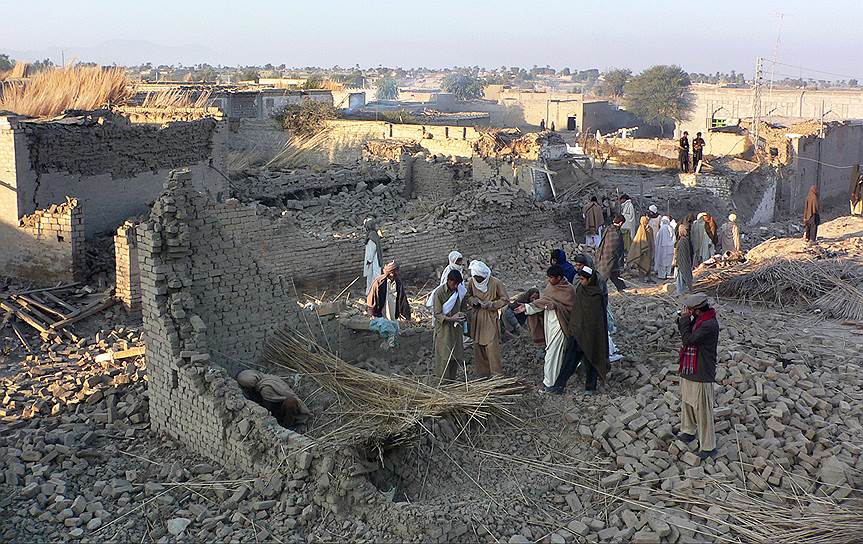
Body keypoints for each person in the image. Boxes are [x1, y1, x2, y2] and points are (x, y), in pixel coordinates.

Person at [515, 265, 576, 394]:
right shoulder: (550, 287)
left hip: (560, 325)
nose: (549, 280)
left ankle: (549, 384)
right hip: (550, 323)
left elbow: (571, 309)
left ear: (559, 278)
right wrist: (527, 308)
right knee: (556, 352)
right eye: (548, 277)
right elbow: (544, 303)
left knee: (552, 353)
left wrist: (555, 306)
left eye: (552, 278)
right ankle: (559, 378)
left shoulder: (569, 290)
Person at [676, 293, 720, 459]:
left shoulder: (709, 325)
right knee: (687, 400)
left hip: (701, 370)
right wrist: (684, 320)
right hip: (691, 368)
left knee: (702, 409)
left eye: (691, 310)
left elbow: (688, 340)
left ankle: (708, 446)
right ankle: (688, 430)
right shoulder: (701, 319)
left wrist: (685, 320)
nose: (688, 311)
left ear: (698, 311)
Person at [554, 266, 610, 395]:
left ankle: (590, 388)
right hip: (578, 333)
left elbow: (597, 320)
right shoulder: (580, 290)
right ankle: (558, 386)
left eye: (583, 279)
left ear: (590, 280)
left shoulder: (596, 295)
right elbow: (578, 312)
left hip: (591, 335)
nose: (581, 281)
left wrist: (589, 332)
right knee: (569, 361)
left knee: (591, 360)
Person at [466, 260, 509, 378]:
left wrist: (491, 305)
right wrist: (472, 301)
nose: (477, 280)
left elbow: (505, 300)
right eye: (475, 278)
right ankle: (483, 375)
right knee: (478, 347)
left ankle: (496, 375)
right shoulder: (472, 282)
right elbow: (468, 296)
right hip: (477, 319)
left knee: (491, 348)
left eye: (479, 278)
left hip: (490, 318)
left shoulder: (496, 283)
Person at [236, 370, 311, 428]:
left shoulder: (265, 389)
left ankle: (287, 426)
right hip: (281, 402)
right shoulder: (267, 377)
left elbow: (269, 407)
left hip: (284, 409)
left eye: (246, 387)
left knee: (289, 404)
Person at [433, 270, 468, 384]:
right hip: (444, 330)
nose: (456, 286)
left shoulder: (460, 292)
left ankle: (451, 382)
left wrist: (460, 315)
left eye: (458, 284)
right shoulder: (439, 293)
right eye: (454, 284)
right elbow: (437, 314)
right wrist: (451, 319)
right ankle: (443, 383)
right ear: (449, 281)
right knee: (444, 356)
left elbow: (464, 309)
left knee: (455, 356)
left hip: (456, 330)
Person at [367, 261, 411, 349]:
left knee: (394, 328)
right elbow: (372, 298)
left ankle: (392, 347)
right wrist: (373, 313)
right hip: (383, 310)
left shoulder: (398, 281)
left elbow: (402, 298)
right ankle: (385, 348)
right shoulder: (379, 282)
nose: (397, 273)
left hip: (393, 309)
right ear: (390, 273)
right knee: (385, 328)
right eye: (395, 271)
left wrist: (407, 315)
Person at [596, 214, 627, 292]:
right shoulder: (616, 233)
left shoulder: (608, 228)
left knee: (615, 274)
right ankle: (597, 291)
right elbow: (617, 248)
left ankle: (622, 288)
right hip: (609, 257)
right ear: (620, 223)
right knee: (603, 276)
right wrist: (620, 259)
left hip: (603, 254)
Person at [627, 216, 655, 281]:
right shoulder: (640, 229)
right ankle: (641, 278)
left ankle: (649, 278)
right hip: (642, 250)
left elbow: (651, 239)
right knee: (642, 264)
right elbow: (638, 240)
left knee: (648, 263)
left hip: (648, 249)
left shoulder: (649, 229)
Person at [363, 218, 383, 294]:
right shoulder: (373, 234)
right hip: (373, 260)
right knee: (373, 277)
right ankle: (373, 292)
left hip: (372, 260)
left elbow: (372, 249)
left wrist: (369, 260)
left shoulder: (372, 235)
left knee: (373, 277)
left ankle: (372, 292)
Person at [674, 224, 694, 294]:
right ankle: (681, 292)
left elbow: (681, 254)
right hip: (683, 262)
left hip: (682, 262)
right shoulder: (684, 240)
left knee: (681, 279)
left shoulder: (683, 241)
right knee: (681, 278)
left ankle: (681, 292)